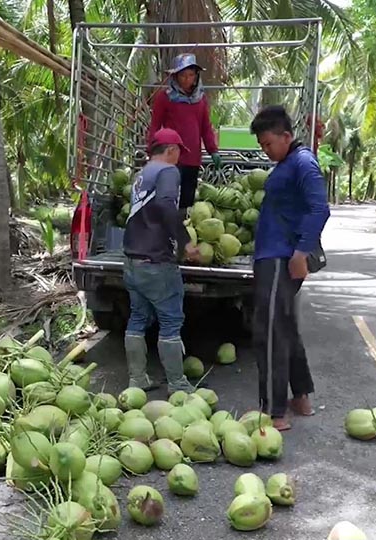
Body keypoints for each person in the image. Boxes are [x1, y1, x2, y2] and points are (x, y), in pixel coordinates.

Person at [248, 105, 331, 431]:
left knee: (268, 333)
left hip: (281, 257)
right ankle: (301, 398)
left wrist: (300, 252)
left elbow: (319, 209)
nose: (265, 150)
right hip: (276, 255)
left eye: (268, 143)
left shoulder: (301, 162)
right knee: (284, 327)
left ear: (286, 136)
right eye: (262, 146)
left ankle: (274, 411)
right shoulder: (290, 161)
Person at [122, 128, 201, 395]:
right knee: (170, 321)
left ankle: (137, 380)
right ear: (170, 150)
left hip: (132, 260)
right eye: (179, 152)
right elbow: (168, 206)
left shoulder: (141, 174)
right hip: (157, 261)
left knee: (137, 318)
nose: (179, 158)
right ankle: (177, 384)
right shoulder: (168, 172)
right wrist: (185, 240)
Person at [146, 53, 221, 211]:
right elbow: (155, 125)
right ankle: (165, 229)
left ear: (196, 76)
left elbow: (205, 127)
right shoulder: (164, 98)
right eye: (183, 75)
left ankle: (182, 229)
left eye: (191, 75)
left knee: (187, 199)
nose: (187, 79)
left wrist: (213, 150)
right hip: (171, 156)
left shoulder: (200, 99)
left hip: (192, 158)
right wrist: (151, 150)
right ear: (175, 76)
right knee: (168, 195)